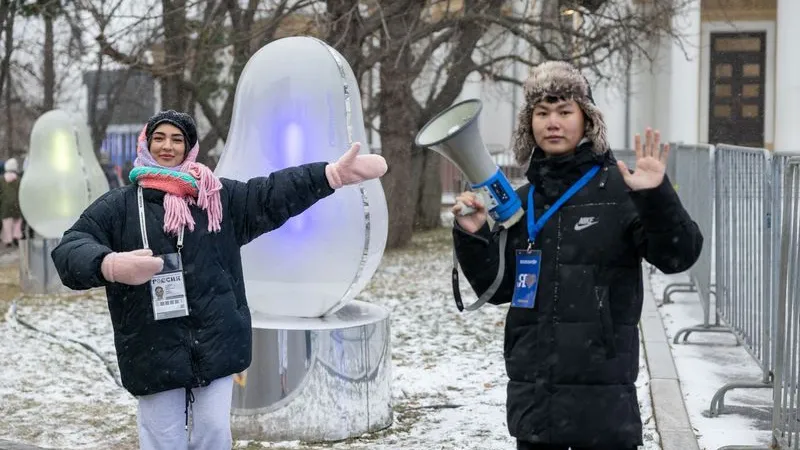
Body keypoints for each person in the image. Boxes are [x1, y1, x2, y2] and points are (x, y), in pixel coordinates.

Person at [51, 110, 387, 450]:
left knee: (213, 434)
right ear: (147, 143)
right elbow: (70, 249)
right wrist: (108, 265)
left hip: (216, 341)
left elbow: (270, 194)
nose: (167, 146)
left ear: (190, 147)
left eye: (177, 139)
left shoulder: (215, 197)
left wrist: (329, 175)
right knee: (162, 438)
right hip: (151, 346)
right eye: (159, 138)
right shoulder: (120, 206)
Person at [452, 61, 703, 450]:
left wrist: (656, 196)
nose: (553, 122)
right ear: (529, 124)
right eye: (542, 113)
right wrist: (474, 236)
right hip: (534, 403)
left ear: (587, 121)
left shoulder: (621, 191)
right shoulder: (522, 202)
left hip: (603, 401)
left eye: (565, 111)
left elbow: (678, 257)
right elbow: (499, 289)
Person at [0, 157, 23, 248]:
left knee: (6, 223)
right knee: (17, 222)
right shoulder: (19, 180)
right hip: (17, 204)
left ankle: (8, 240)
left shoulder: (1, 180)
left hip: (5, 205)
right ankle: (16, 236)